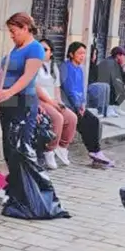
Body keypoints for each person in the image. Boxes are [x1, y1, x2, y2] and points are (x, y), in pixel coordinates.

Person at [0, 13, 45, 168]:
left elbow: (27, 77)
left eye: (13, 31)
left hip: (22, 101)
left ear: (25, 28)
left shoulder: (35, 49)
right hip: (7, 101)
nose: (11, 35)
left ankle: (22, 181)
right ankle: (13, 179)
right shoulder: (16, 48)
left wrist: (8, 92)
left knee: (20, 146)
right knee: (9, 145)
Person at [60, 42, 114, 166]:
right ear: (71, 54)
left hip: (78, 105)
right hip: (68, 105)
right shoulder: (65, 67)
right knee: (85, 123)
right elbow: (69, 89)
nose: (82, 56)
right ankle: (94, 152)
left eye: (84, 53)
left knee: (94, 121)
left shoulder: (80, 69)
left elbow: (81, 89)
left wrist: (83, 104)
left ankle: (96, 152)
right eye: (79, 53)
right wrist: (78, 105)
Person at [34, 38, 76, 169]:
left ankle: (62, 147)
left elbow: (56, 88)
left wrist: (59, 102)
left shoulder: (53, 67)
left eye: (45, 49)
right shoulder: (33, 65)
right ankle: (49, 150)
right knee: (58, 118)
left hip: (52, 100)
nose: (41, 51)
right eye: (39, 49)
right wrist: (51, 102)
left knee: (72, 117)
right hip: (39, 100)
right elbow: (36, 87)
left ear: (51, 52)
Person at [95, 46, 125, 116]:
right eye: (124, 56)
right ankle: (109, 107)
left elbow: (124, 81)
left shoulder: (118, 63)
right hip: (100, 85)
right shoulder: (110, 62)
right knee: (116, 85)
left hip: (108, 85)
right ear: (118, 56)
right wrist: (121, 84)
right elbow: (112, 80)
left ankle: (115, 107)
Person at [86, 43, 111, 118]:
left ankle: (104, 111)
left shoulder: (95, 67)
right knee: (101, 87)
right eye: (93, 54)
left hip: (93, 85)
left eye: (96, 54)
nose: (95, 56)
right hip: (87, 86)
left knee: (106, 86)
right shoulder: (86, 66)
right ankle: (99, 110)